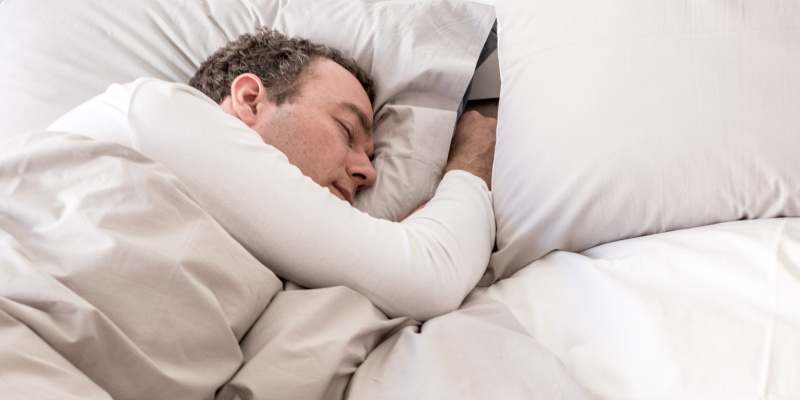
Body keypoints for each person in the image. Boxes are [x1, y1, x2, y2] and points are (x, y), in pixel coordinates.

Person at [48, 27, 496, 321]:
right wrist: (472, 159)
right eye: (345, 129)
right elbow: (425, 278)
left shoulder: (272, 263)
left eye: (371, 156)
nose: (368, 172)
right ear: (248, 99)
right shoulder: (151, 110)